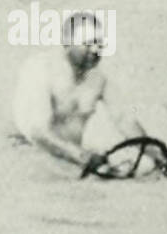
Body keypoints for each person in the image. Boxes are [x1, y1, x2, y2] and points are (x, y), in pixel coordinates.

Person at [11, 11, 155, 173]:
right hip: (30, 156)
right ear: (67, 43)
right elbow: (37, 132)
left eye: (99, 44)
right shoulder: (41, 69)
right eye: (88, 44)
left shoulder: (98, 79)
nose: (95, 50)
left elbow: (124, 120)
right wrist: (82, 157)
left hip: (70, 159)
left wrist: (154, 152)